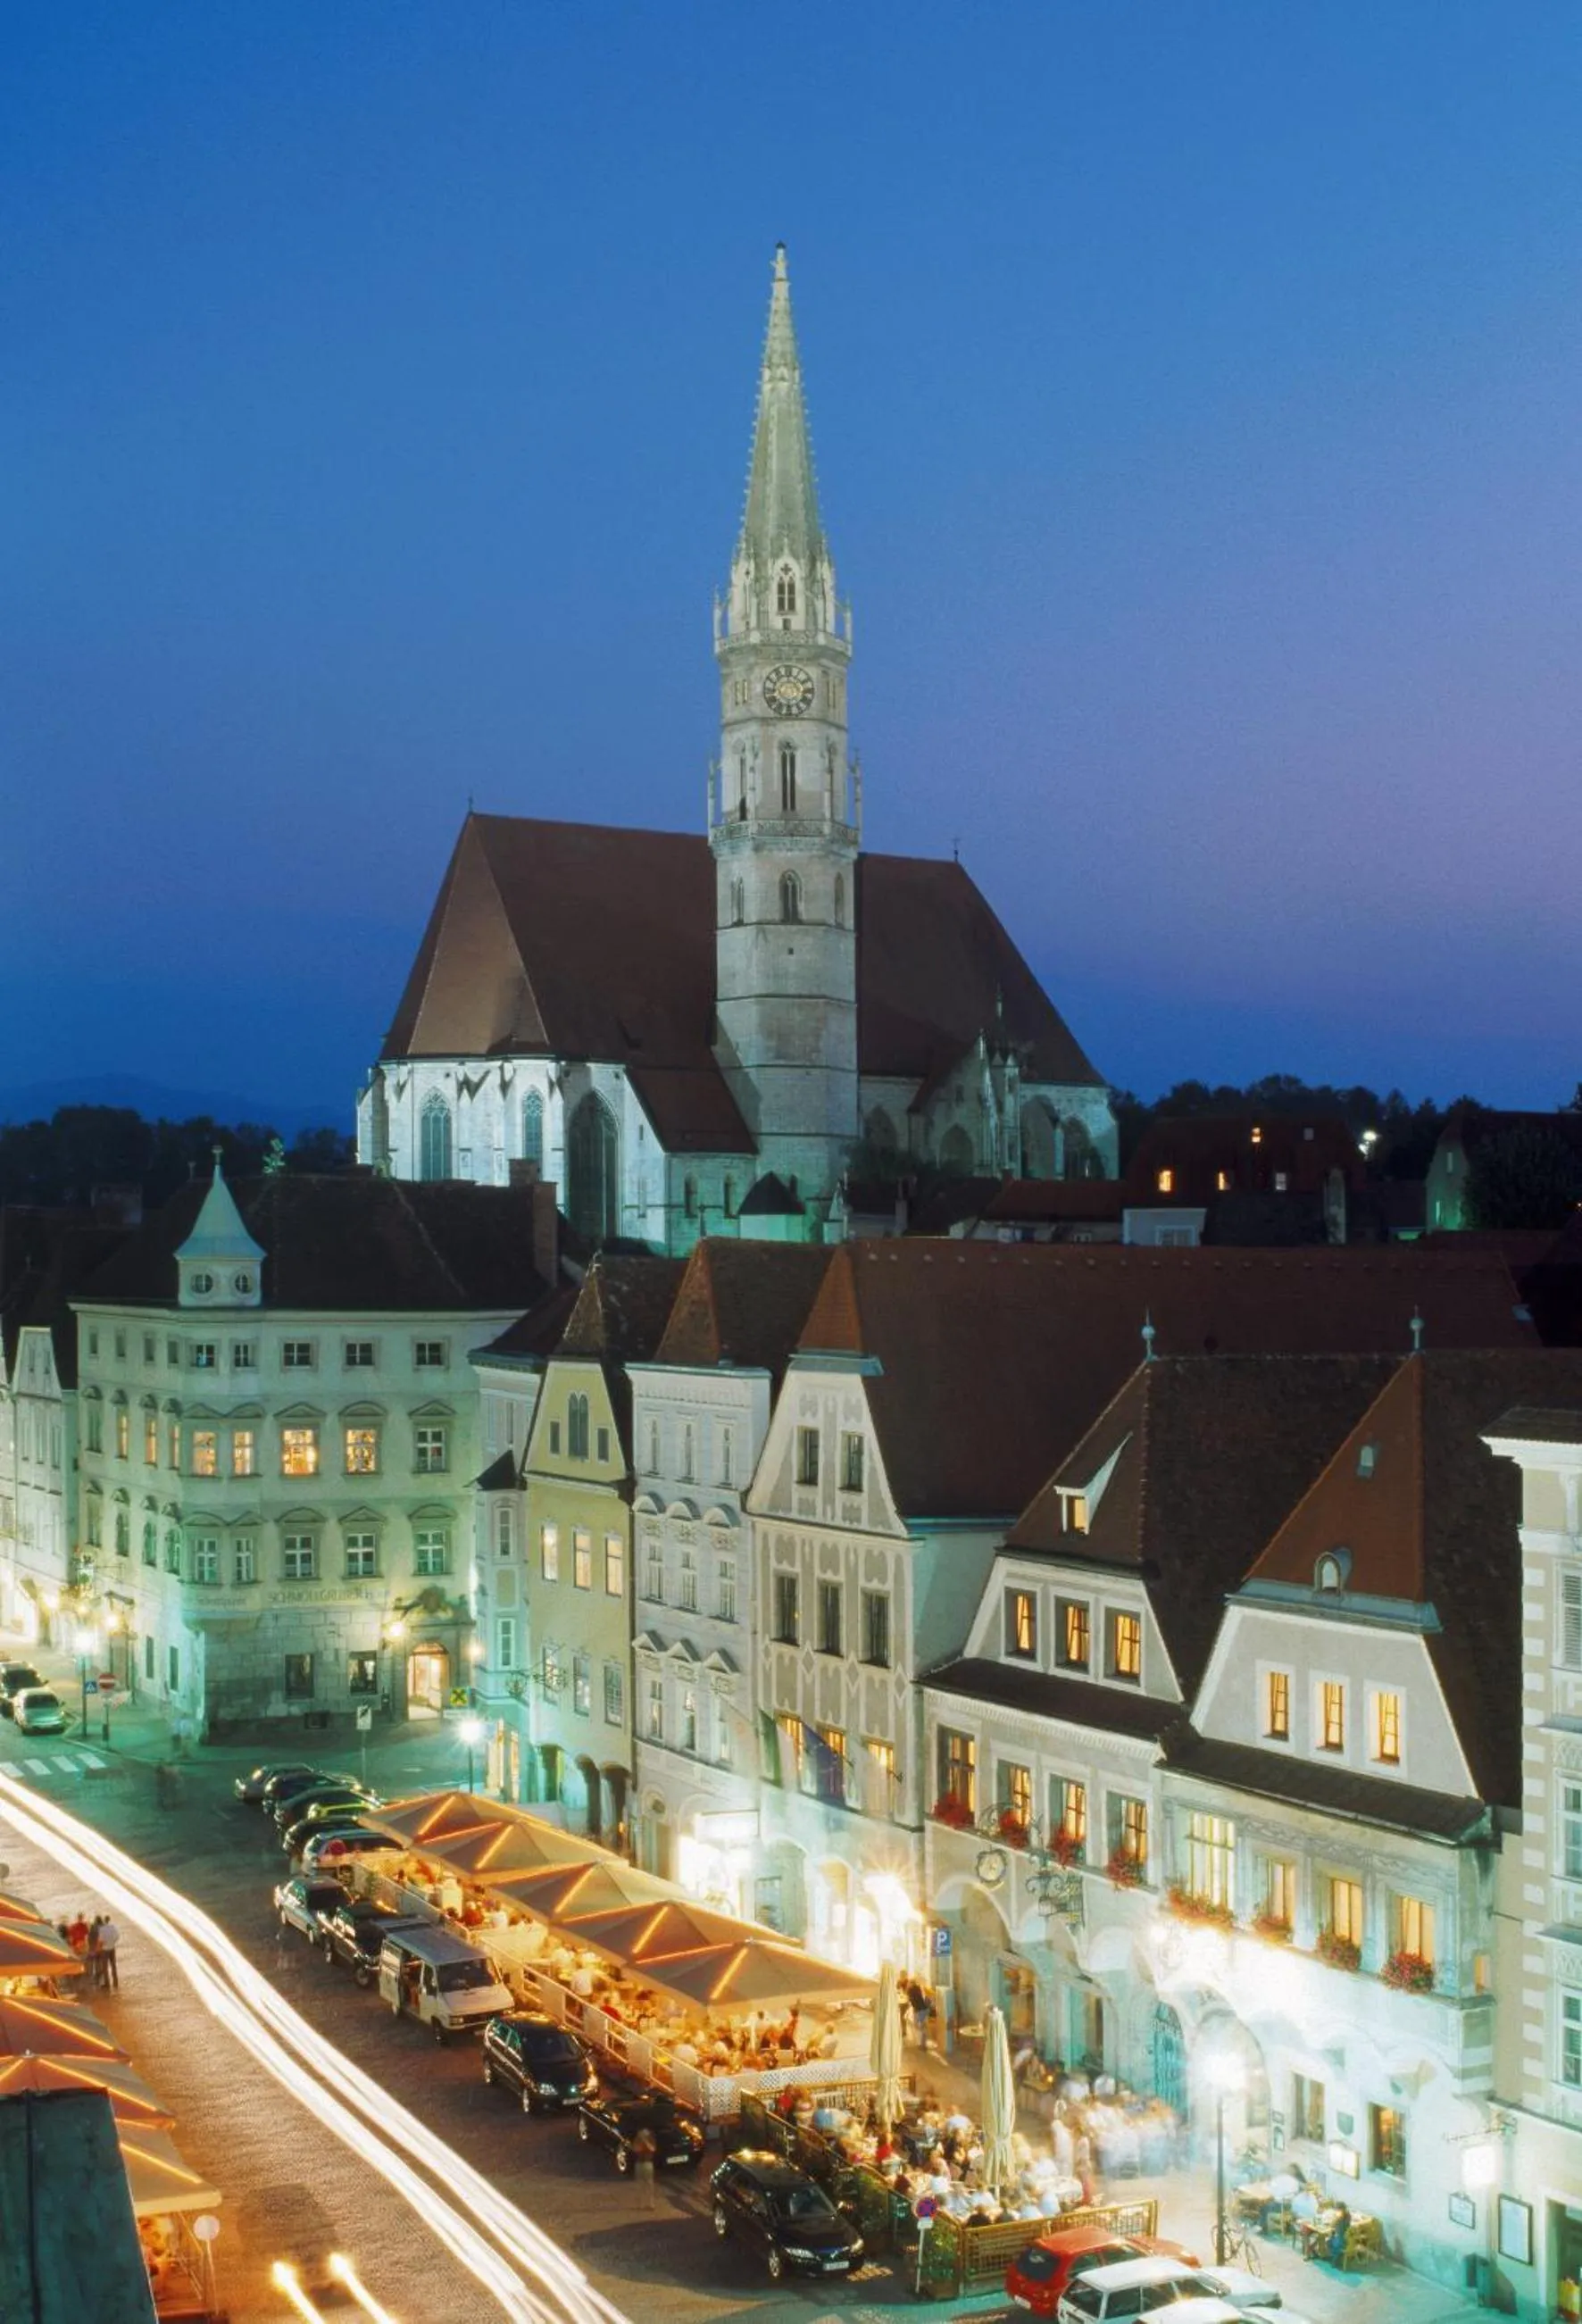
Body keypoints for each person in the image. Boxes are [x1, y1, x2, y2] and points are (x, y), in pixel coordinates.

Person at [630, 2124, 658, 2211]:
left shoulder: (651, 2138)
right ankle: (640, 2204)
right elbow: (635, 2149)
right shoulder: (637, 2139)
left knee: (649, 2184)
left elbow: (652, 2149)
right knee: (639, 2184)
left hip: (648, 2163)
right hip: (639, 2163)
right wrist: (640, 2141)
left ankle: (650, 2204)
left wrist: (645, 2141)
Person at [96, 1916, 121, 1988]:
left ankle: (107, 1984)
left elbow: (100, 1940)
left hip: (105, 1949)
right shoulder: (113, 1927)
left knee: (105, 1967)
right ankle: (115, 1982)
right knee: (113, 1966)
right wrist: (112, 1942)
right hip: (112, 1948)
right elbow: (117, 1936)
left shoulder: (102, 1929)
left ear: (104, 1921)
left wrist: (98, 1948)